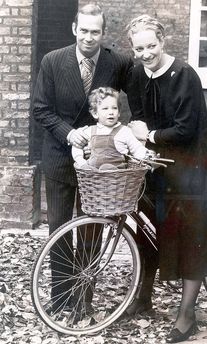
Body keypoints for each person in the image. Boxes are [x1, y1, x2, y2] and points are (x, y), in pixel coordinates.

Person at [125, 14, 207, 343]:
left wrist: (149, 135)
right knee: (148, 226)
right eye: (139, 48)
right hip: (162, 164)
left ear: (163, 41)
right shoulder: (139, 75)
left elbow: (185, 130)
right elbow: (138, 116)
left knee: (190, 239)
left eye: (151, 46)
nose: (145, 53)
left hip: (192, 167)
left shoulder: (184, 75)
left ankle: (186, 316)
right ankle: (144, 297)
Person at [32, 4, 133, 312]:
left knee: (91, 231)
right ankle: (60, 298)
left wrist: (127, 132)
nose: (89, 38)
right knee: (59, 229)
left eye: (96, 32)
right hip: (61, 157)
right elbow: (40, 109)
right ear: (75, 29)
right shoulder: (53, 61)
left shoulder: (117, 63)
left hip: (101, 162)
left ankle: (83, 300)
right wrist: (68, 133)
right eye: (84, 30)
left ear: (104, 33)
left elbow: (138, 97)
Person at [72, 87, 152, 170]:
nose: (111, 112)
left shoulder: (124, 131)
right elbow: (76, 146)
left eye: (114, 108)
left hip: (117, 175)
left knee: (107, 168)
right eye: (105, 108)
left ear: (119, 113)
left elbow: (136, 148)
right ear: (95, 113)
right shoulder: (89, 131)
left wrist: (147, 156)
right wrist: (81, 162)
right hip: (93, 175)